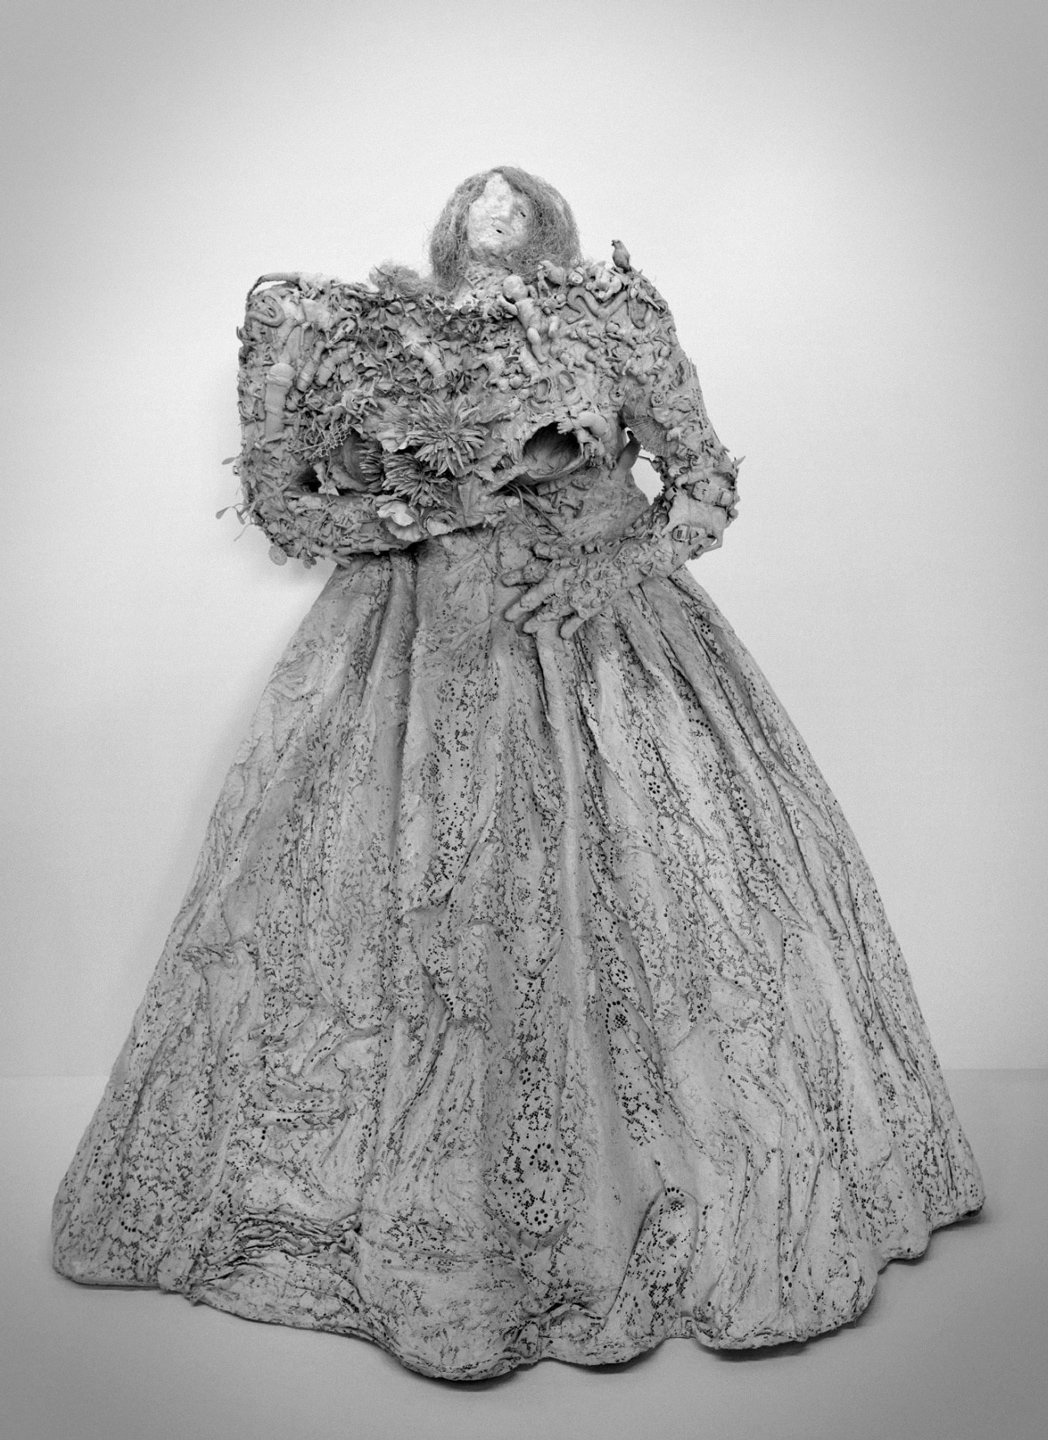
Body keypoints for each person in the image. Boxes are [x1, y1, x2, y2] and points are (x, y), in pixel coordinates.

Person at [52, 167, 983, 1380]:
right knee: (385, 913)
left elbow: (702, 483)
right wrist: (406, 520)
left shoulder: (612, 319)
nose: (493, 219)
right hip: (407, 660)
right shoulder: (368, 339)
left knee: (657, 907)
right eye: (474, 215)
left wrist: (606, 567)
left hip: (599, 646)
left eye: (516, 214)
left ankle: (645, 1205)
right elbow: (290, 504)